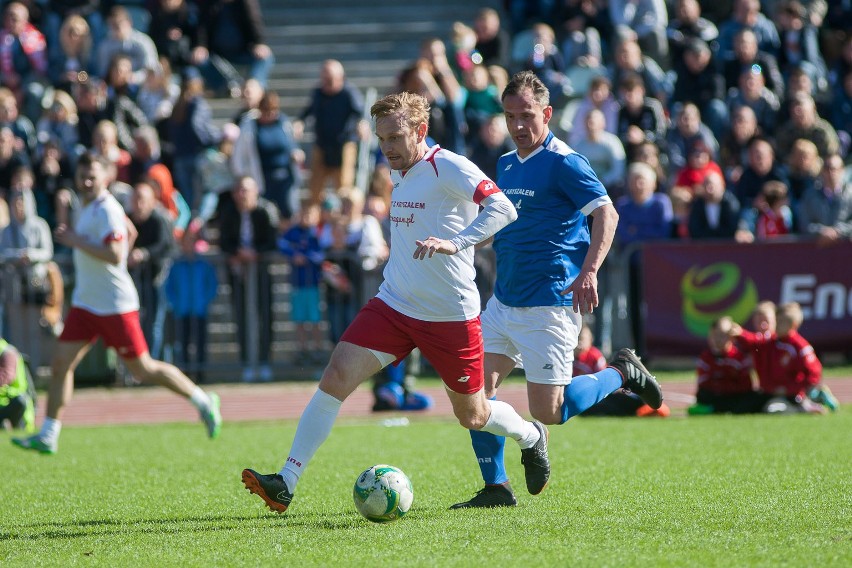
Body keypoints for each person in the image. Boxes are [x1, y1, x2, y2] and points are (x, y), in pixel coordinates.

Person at [241, 91, 550, 515]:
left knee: (474, 416)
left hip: (449, 315)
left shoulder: (449, 166)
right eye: (380, 137)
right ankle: (286, 481)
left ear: (421, 131)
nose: (386, 147)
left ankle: (531, 437)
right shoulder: (399, 170)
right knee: (336, 376)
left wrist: (456, 242)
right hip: (395, 304)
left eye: (394, 136)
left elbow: (503, 208)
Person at [450, 71, 663, 509]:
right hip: (503, 301)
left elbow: (607, 214)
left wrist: (589, 272)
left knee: (551, 410)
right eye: (510, 116)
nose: (517, 125)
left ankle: (623, 373)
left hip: (549, 303)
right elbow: (506, 221)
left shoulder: (566, 161)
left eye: (526, 115)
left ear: (546, 113)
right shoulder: (507, 163)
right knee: (475, 393)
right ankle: (496, 487)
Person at [11, 152, 221, 454]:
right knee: (61, 365)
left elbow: (115, 254)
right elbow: (130, 232)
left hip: (114, 305)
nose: (86, 181)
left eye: (92, 176)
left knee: (142, 369)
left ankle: (203, 400)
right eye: (82, 175)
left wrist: (74, 240)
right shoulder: (87, 205)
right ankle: (49, 433)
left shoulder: (107, 208)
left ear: (106, 177)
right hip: (86, 303)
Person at [218, 175, 278, 383]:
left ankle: (263, 361)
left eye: (246, 190)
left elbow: (272, 240)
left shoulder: (266, 211)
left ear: (255, 192)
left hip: (260, 271)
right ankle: (247, 362)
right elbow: (223, 241)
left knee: (265, 315)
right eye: (238, 190)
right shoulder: (228, 212)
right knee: (241, 315)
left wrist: (255, 254)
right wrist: (238, 254)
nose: (241, 195)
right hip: (239, 272)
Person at [296, 59, 365, 206]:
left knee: (343, 187)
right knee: (314, 187)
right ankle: (315, 218)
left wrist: (361, 125)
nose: (327, 84)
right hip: (322, 144)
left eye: (330, 80)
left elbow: (360, 113)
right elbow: (308, 111)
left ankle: (341, 217)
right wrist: (299, 122)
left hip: (343, 144)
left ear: (340, 78)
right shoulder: (318, 93)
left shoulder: (348, 93)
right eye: (324, 80)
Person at [163, 219, 218, 384]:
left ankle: (201, 373)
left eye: (192, 240)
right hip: (183, 309)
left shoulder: (204, 264)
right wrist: (175, 303)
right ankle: (185, 374)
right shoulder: (177, 265)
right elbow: (169, 286)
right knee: (184, 342)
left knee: (200, 342)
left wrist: (206, 300)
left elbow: (211, 284)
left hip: (199, 309)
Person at [687, 316, 760, 415]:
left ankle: (714, 410)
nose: (718, 339)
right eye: (715, 335)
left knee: (751, 398)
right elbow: (703, 384)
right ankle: (714, 409)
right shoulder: (705, 358)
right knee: (703, 395)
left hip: (734, 396)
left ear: (732, 337)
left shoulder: (738, 358)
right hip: (715, 395)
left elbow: (745, 385)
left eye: (723, 335)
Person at [797, 153, 852, 243]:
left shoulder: (850, 194)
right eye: (827, 168)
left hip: (845, 252)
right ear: (822, 171)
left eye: (834, 169)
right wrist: (822, 231)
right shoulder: (810, 195)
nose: (831, 173)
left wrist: (837, 231)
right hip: (816, 251)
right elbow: (804, 223)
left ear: (842, 170)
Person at [0, 336, 36, 432]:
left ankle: (8, 425)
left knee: (19, 401)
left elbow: (4, 378)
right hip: (4, 402)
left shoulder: (7, 353)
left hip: (12, 403)